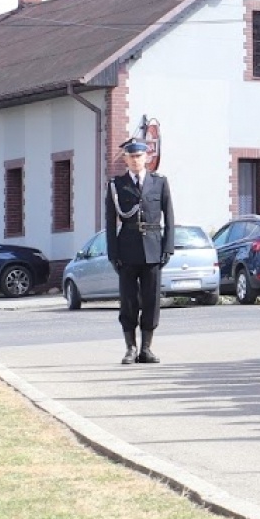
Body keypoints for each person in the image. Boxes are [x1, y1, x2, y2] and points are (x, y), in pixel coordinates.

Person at [105, 137, 176, 364]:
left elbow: (170, 217)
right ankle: (130, 348)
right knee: (128, 301)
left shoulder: (160, 182)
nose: (135, 160)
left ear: (147, 157)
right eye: (131, 156)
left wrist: (168, 247)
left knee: (151, 300)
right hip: (126, 249)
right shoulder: (117, 185)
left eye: (139, 156)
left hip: (154, 248)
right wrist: (113, 253)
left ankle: (146, 348)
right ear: (125, 159)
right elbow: (110, 222)